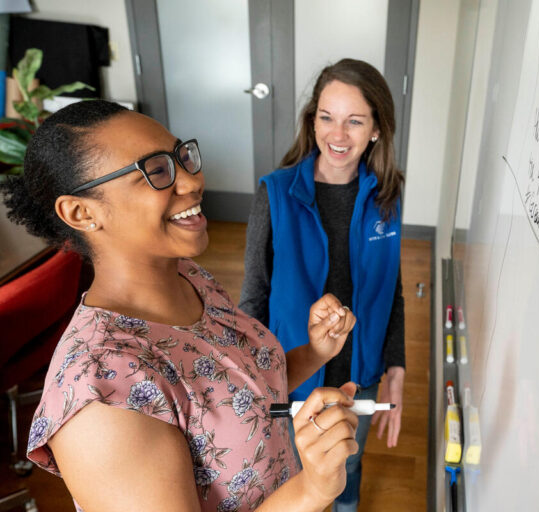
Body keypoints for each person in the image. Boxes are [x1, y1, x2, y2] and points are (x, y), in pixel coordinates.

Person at [1, 100, 363, 512]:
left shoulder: (189, 276)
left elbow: (241, 395)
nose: (192, 180)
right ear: (82, 212)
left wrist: (315, 352)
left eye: (182, 156)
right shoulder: (100, 397)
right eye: (156, 170)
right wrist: (312, 490)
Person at [239, 58, 405, 512]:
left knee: (347, 462)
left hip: (360, 372)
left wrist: (396, 370)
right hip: (293, 373)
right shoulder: (275, 192)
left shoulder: (387, 195)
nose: (338, 134)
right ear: (312, 122)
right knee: (297, 471)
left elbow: (393, 289)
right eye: (326, 117)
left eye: (355, 121)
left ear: (375, 130)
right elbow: (253, 295)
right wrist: (250, 381)